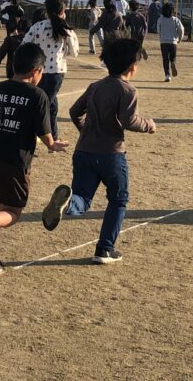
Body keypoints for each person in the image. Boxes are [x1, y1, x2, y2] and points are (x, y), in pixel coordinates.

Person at [42, 38, 156, 264]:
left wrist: (84, 130)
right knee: (118, 199)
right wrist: (148, 124)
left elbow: (75, 111)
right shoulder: (127, 90)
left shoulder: (95, 86)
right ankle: (105, 248)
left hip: (84, 151)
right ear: (131, 67)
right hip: (111, 154)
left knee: (82, 198)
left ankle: (67, 204)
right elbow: (128, 120)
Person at [0, 43, 69, 277]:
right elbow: (44, 132)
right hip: (14, 160)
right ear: (36, 71)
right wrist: (52, 144)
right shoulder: (38, 95)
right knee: (12, 213)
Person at [22, 0, 79, 141]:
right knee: (45, 104)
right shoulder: (67, 30)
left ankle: (53, 136)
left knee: (50, 104)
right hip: (56, 72)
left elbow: (24, 45)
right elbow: (75, 53)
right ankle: (37, 134)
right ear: (63, 11)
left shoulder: (37, 27)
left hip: (38, 71)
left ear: (46, 10)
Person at [158, 2, 184, 82]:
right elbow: (181, 29)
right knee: (173, 57)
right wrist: (180, 38)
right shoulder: (175, 19)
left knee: (165, 59)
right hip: (173, 42)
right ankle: (173, 63)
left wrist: (161, 36)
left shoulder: (160, 19)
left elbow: (158, 29)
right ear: (172, 10)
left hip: (163, 42)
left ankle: (167, 75)